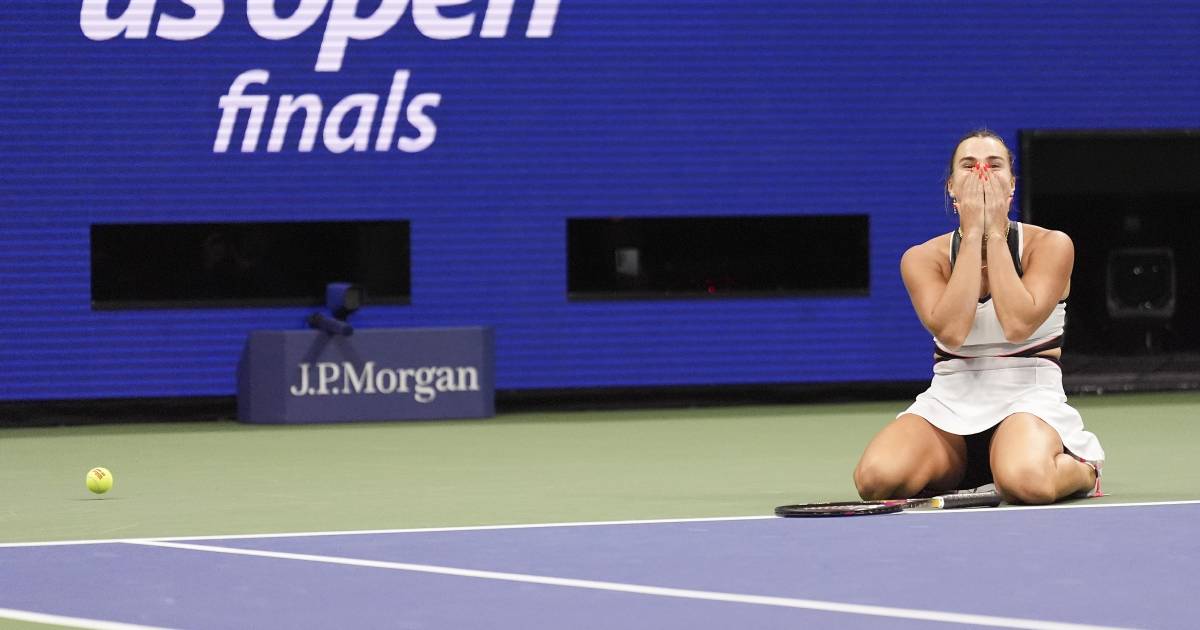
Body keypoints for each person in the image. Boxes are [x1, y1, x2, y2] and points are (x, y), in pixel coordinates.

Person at [853, 129, 1104, 505]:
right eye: (969, 166)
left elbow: (1018, 325)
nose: (982, 174)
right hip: (948, 406)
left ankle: (1084, 467)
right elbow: (953, 331)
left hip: (1029, 401)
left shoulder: (1051, 245)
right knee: (876, 479)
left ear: (1012, 185)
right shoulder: (923, 258)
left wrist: (995, 234)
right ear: (952, 188)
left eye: (994, 165)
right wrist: (973, 235)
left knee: (1027, 481)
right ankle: (973, 470)